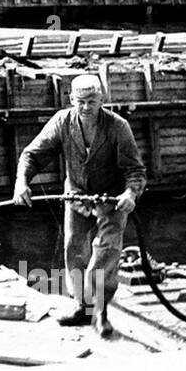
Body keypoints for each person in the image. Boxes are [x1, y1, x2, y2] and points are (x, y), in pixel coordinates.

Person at [12, 72, 146, 336]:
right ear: (71, 99)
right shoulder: (62, 122)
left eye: (92, 101)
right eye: (81, 101)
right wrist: (21, 182)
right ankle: (81, 306)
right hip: (76, 196)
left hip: (112, 198)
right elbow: (32, 155)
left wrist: (131, 193)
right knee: (74, 248)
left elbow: (135, 170)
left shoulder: (118, 127)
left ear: (102, 99)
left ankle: (100, 311)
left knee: (106, 250)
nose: (86, 107)